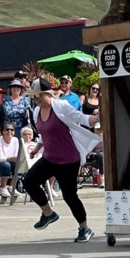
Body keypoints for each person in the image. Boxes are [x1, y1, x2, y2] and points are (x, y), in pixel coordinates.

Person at [24, 78, 102, 242]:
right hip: (50, 158)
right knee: (29, 182)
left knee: (69, 196)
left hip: (68, 160)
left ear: (47, 94)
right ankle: (48, 213)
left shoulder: (62, 107)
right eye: (33, 97)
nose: (35, 100)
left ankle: (84, 228)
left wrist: (96, 117)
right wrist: (38, 149)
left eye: (37, 96)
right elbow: (44, 134)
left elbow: (82, 119)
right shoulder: (38, 111)